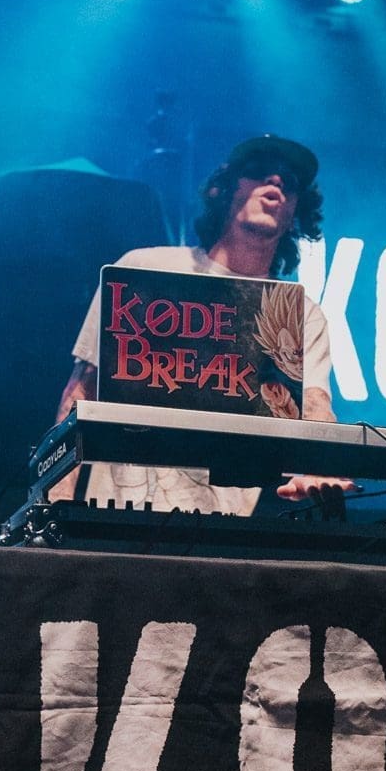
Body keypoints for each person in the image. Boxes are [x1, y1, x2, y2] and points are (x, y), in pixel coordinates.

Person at [49, 133, 353, 513]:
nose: (275, 181)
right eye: (259, 170)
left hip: (220, 527)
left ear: (295, 215)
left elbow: (315, 407)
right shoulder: (143, 270)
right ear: (222, 191)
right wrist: (54, 507)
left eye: (289, 182)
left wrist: (320, 468)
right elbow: (81, 394)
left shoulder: (301, 315)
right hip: (114, 519)